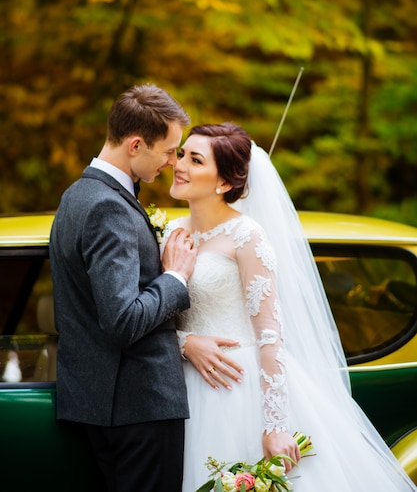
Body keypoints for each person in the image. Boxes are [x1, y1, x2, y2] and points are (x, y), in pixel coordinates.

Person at [163, 122, 417, 492]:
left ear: (223, 183)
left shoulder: (247, 236)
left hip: (239, 386)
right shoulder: (169, 232)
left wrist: (275, 425)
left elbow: (269, 333)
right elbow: (156, 313)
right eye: (182, 154)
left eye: (195, 160)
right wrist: (184, 342)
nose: (179, 164)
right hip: (182, 385)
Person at [49, 84, 197, 492]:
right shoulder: (109, 207)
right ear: (135, 145)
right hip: (139, 406)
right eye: (168, 151)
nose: (172, 162)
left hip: (106, 405)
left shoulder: (76, 195)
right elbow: (121, 319)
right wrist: (175, 277)